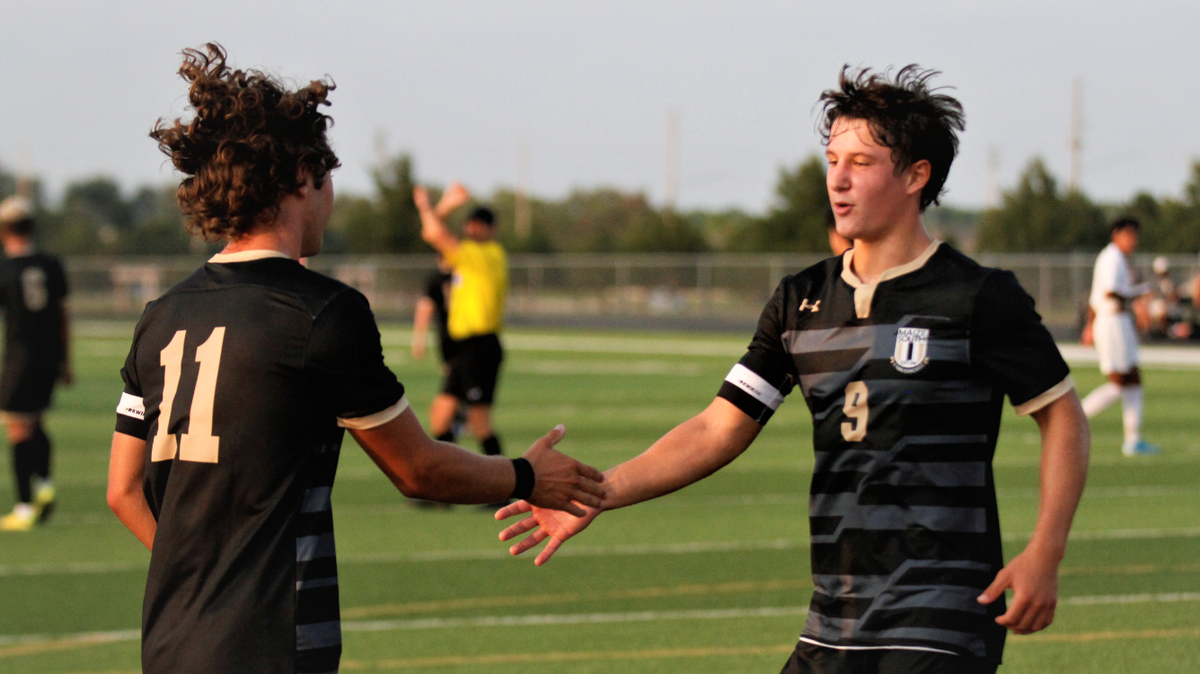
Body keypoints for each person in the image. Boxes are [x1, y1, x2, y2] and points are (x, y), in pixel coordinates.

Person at [499, 65, 1090, 674]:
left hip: (940, 616)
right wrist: (597, 493)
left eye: (861, 163)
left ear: (917, 176)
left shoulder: (977, 296)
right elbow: (717, 428)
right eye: (833, 159)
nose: (838, 179)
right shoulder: (800, 300)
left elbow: (1064, 417)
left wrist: (1046, 551)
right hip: (834, 620)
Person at [106, 43, 605, 674]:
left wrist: (204, 582)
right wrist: (530, 476)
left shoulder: (161, 315)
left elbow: (123, 492)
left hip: (171, 640)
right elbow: (417, 470)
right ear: (300, 179)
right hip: (273, 645)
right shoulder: (321, 312)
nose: (331, 197)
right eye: (329, 177)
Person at [412, 186, 509, 474]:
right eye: (471, 224)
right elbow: (433, 235)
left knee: (479, 422)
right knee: (441, 416)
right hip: (464, 348)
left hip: (481, 346)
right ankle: (443, 486)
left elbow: (434, 234)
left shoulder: (487, 255)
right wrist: (439, 208)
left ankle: (503, 484)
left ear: (492, 230)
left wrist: (435, 206)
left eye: (480, 225)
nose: (473, 229)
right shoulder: (466, 257)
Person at [0, 195, 71, 531]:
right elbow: (62, 316)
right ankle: (45, 485)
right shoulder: (51, 264)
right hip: (48, 357)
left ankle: (25, 506)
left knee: (17, 429)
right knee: (37, 422)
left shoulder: (5, 269)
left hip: (19, 357)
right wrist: (65, 361)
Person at [1078, 217, 1159, 456]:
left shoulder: (1119, 259)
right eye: (1129, 234)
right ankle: (1074, 419)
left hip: (1120, 321)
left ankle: (1133, 439)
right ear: (1117, 234)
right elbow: (1110, 293)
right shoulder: (1111, 258)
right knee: (1118, 382)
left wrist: (1089, 325)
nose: (1133, 240)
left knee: (1133, 379)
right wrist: (1140, 292)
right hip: (1113, 321)